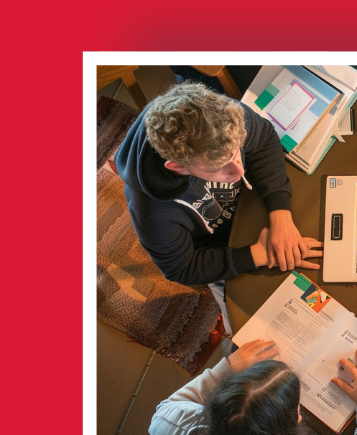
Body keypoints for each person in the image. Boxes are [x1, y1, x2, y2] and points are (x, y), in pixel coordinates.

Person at [115, 82, 322, 286]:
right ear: (178, 167)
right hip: (225, 253)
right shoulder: (150, 209)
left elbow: (265, 139)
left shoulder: (223, 116)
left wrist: (280, 214)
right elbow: (183, 269)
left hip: (261, 203)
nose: (239, 171)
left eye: (237, 153)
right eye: (217, 168)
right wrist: (258, 254)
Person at [149, 340, 357, 435]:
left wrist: (227, 367)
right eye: (296, 407)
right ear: (295, 426)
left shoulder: (172, 425)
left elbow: (170, 406)